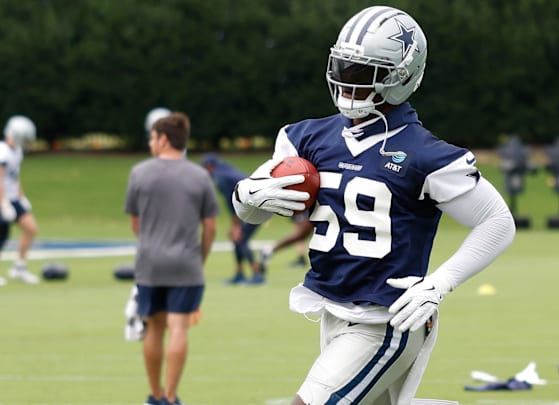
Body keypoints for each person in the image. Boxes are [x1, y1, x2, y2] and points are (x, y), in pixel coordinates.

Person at [231, 6, 516, 404]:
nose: (347, 81)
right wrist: (245, 197)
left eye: (362, 73)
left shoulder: (425, 154)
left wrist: (438, 284)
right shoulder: (306, 138)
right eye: (343, 67)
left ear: (400, 76)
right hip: (333, 310)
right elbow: (253, 210)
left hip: (386, 319)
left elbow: (497, 221)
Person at [125, 112, 218, 405]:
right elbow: (211, 227)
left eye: (152, 137)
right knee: (179, 328)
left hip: (150, 265)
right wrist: (198, 259)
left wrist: (150, 244)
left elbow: (135, 222)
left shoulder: (139, 172)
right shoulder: (200, 176)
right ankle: (171, 395)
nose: (150, 143)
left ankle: (154, 396)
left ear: (163, 139)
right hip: (186, 265)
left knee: (154, 328)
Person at [201, 153, 266, 285]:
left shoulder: (220, 177)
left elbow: (232, 202)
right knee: (238, 239)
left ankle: (257, 274)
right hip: (256, 204)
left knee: (240, 238)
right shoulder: (225, 170)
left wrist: (235, 226)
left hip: (256, 207)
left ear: (209, 167)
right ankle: (239, 274)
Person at [0, 115, 40, 285]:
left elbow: (15, 177)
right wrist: (3, 203)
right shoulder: (3, 151)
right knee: (2, 235)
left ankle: (19, 267)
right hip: (2, 198)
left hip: (12, 197)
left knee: (31, 228)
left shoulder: (18, 152)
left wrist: (22, 197)